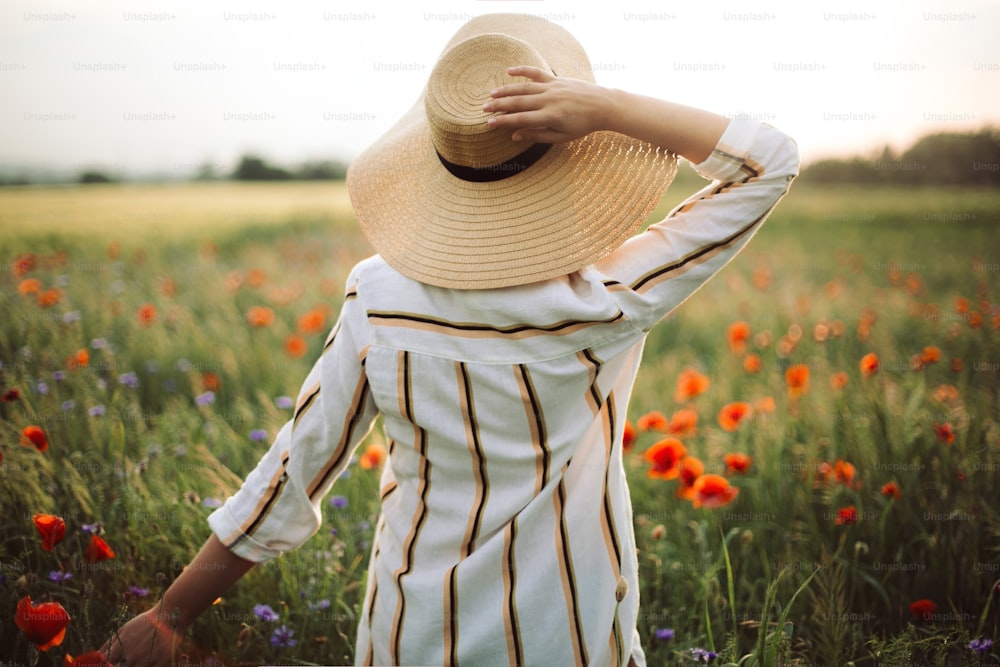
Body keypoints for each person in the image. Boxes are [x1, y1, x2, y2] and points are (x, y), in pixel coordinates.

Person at [103, 13, 798, 667]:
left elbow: (296, 469)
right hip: (569, 633)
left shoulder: (377, 297)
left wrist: (170, 613)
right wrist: (608, 107)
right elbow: (769, 161)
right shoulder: (603, 300)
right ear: (564, 158)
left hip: (410, 632)